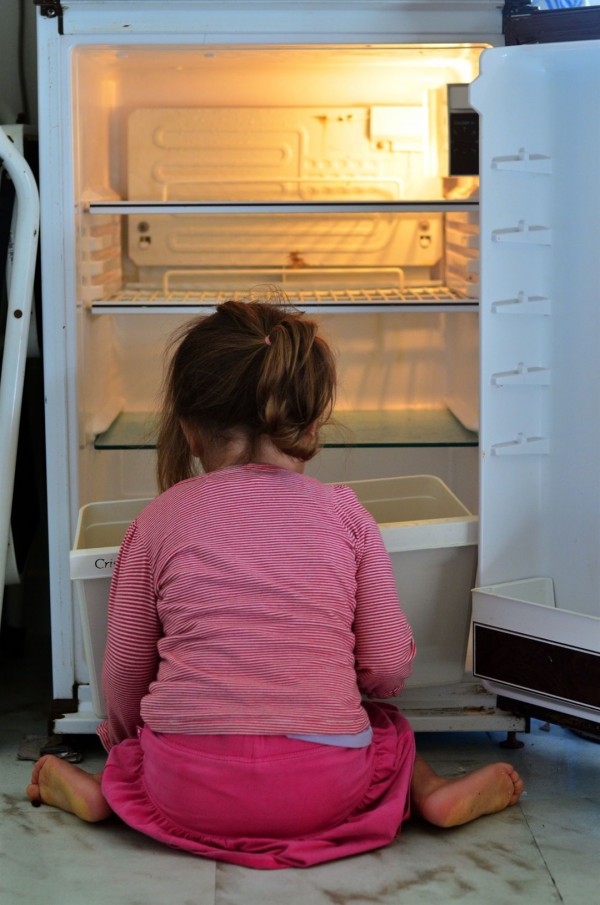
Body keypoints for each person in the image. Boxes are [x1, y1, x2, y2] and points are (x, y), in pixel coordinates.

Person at [27, 298, 524, 869]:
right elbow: (387, 668)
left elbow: (123, 677)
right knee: (386, 726)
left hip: (185, 787)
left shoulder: (158, 519)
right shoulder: (346, 516)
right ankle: (430, 791)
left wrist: (128, 746)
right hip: (323, 788)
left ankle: (107, 791)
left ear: (189, 429)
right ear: (312, 422)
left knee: (152, 731)